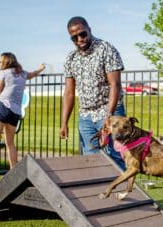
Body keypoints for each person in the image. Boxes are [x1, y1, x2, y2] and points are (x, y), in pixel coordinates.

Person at [59, 16, 126, 169]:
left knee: (116, 157)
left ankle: (123, 192)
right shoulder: (71, 58)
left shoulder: (106, 49)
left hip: (109, 110)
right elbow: (69, 92)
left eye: (82, 34)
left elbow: (114, 84)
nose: (79, 39)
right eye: (74, 37)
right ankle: (100, 192)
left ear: (89, 30)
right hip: (86, 117)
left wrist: (109, 117)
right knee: (91, 161)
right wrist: (64, 123)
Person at [0, 52, 45, 181]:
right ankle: (15, 173)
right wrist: (40, 68)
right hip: (15, 112)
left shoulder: (3, 73)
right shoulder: (22, 74)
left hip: (2, 107)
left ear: (5, 62)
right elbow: (33, 74)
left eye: (0, 60)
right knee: (10, 143)